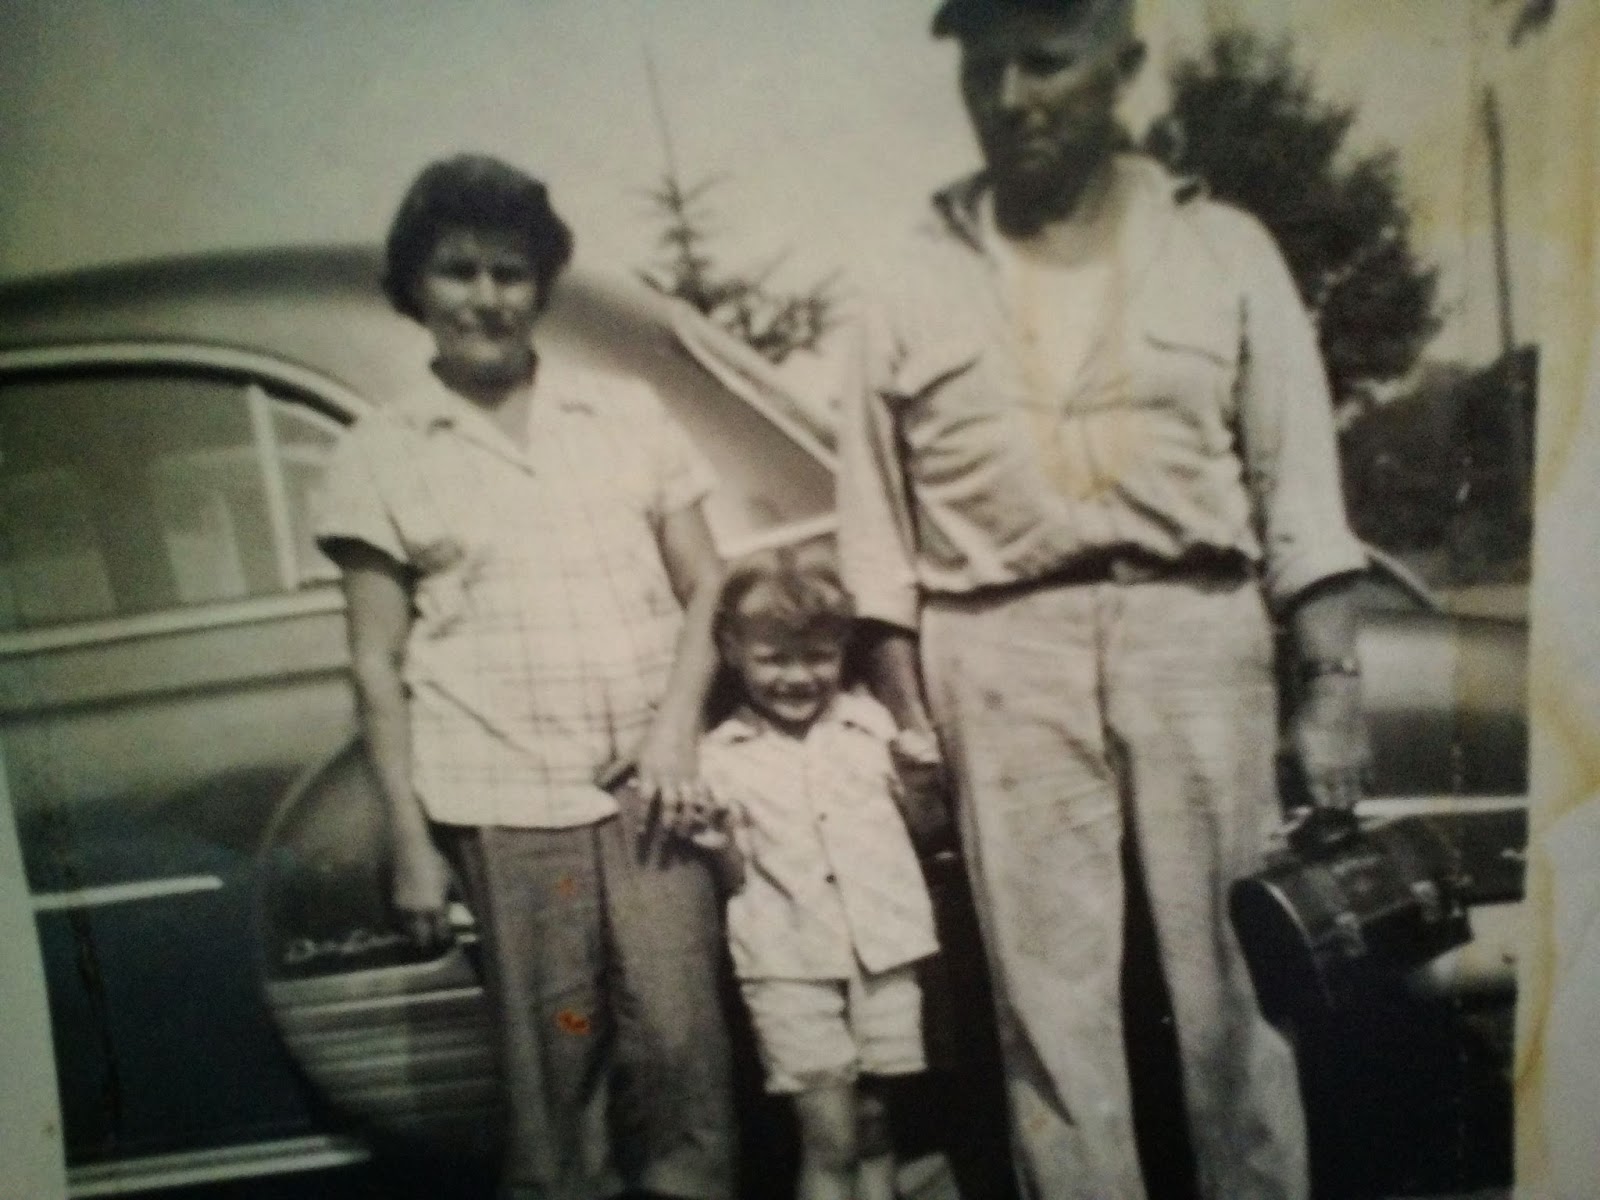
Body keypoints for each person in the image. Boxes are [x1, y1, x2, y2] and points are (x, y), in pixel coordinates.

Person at [835, 2, 1372, 1198]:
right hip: (998, 645)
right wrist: (911, 721)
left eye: (1046, 61)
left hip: (1195, 632)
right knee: (1047, 1009)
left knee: (1237, 985)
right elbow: (873, 532)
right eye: (985, 68)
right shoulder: (900, 279)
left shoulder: (1222, 248)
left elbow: (1300, 489)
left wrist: (1329, 686)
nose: (1012, 95)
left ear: (1121, 67)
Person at [315, 154, 733, 1200]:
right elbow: (375, 663)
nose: (486, 298)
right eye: (458, 271)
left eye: (510, 271)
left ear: (542, 285)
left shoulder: (624, 412)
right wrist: (412, 848)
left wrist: (676, 730)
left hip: (652, 797)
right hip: (505, 808)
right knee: (555, 1090)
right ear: (415, 286)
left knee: (684, 1061)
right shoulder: (381, 451)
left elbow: (709, 583)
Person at [679, 548, 940, 1200]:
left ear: (843, 650)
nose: (799, 676)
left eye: (818, 656)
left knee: (878, 1125)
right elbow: (737, 880)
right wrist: (715, 845)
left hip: (884, 955)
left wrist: (921, 788)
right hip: (790, 966)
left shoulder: (871, 725)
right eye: (774, 659)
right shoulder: (719, 758)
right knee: (832, 1140)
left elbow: (924, 834)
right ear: (733, 652)